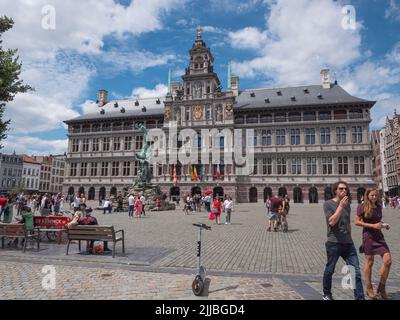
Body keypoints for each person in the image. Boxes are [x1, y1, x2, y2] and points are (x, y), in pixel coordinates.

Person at [322, 181, 364, 300]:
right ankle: (327, 293)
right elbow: (331, 222)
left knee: (356, 272)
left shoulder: (348, 205)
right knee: (330, 270)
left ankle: (360, 297)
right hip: (334, 243)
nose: (344, 191)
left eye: (345, 189)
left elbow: (348, 223)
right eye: (341, 189)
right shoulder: (328, 204)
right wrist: (340, 206)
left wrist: (350, 238)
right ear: (335, 190)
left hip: (348, 244)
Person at [355, 189, 392, 300]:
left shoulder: (379, 206)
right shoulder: (362, 206)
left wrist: (383, 225)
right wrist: (373, 226)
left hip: (379, 236)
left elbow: (377, 221)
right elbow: (356, 222)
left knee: (388, 261)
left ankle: (381, 287)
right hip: (368, 236)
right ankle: (369, 287)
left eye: (376, 195)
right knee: (369, 262)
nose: (374, 197)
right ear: (367, 196)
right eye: (372, 195)